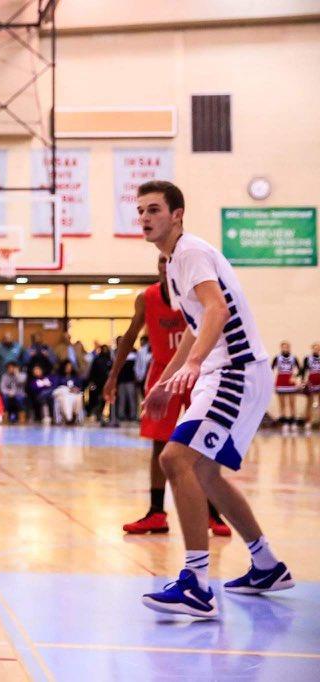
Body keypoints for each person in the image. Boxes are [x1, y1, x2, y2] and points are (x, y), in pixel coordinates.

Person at [137, 180, 293, 618]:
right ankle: (266, 564)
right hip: (219, 372)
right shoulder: (172, 264)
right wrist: (164, 384)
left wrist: (195, 363)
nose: (145, 218)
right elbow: (194, 325)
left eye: (154, 210)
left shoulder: (190, 252)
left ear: (177, 214)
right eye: (141, 211)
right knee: (204, 473)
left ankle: (196, 583)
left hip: (236, 370)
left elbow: (218, 309)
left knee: (174, 460)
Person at [107, 257, 229, 537]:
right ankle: (156, 513)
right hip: (163, 373)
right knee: (159, 444)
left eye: (170, 261)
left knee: (204, 441)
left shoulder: (196, 294)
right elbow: (128, 336)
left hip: (196, 368)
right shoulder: (146, 298)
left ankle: (213, 512)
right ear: (157, 267)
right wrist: (113, 375)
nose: (165, 265)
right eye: (161, 261)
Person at [271, 341, 300, 434]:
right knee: (282, 404)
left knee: (292, 404)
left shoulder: (293, 358)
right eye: (283, 347)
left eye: (287, 347)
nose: (285, 349)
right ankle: (285, 423)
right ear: (281, 348)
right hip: (280, 381)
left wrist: (294, 376)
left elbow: (301, 370)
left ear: (289, 348)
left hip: (290, 382)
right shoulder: (277, 358)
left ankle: (293, 422)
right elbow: (270, 369)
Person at [86, 345, 113, 424]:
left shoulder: (109, 360)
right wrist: (91, 381)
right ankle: (94, 413)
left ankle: (100, 414)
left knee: (104, 400)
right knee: (95, 399)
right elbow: (92, 371)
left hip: (106, 383)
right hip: (97, 383)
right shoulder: (97, 359)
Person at [301, 343, 320, 432]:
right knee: (309, 402)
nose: (316, 350)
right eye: (315, 348)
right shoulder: (307, 358)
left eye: (318, 348)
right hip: (311, 381)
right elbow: (303, 370)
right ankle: (308, 422)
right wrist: (303, 380)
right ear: (312, 349)